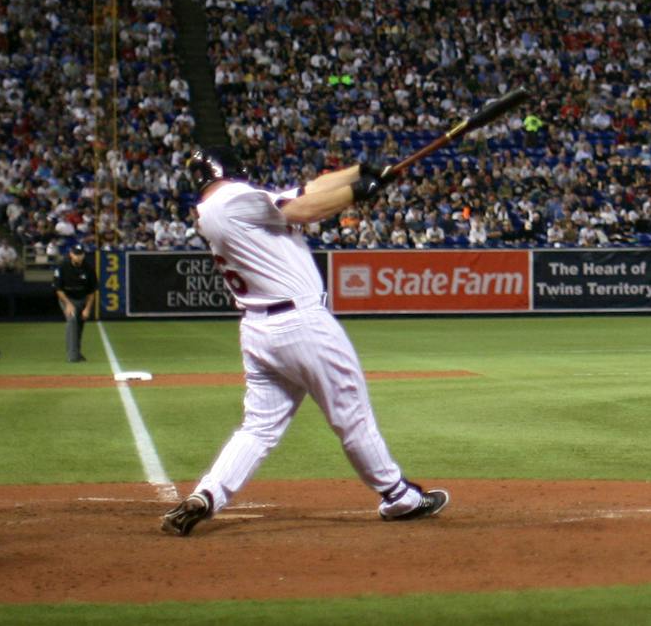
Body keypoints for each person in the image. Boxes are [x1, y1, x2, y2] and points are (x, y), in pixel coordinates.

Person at [159, 148, 448, 536]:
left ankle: (206, 495)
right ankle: (398, 496)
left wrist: (358, 172)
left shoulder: (214, 209)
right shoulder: (237, 199)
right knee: (351, 416)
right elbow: (304, 209)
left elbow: (305, 190)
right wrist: (358, 192)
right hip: (303, 325)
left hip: (259, 332)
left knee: (257, 429)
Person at [52, 242, 96, 363]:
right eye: (76, 254)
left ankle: (77, 353)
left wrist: (87, 308)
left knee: (79, 326)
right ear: (71, 254)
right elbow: (59, 289)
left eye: (80, 254)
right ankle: (73, 356)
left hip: (82, 299)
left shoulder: (88, 269)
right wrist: (68, 304)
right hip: (68, 299)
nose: (78, 256)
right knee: (72, 321)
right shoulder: (62, 266)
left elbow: (92, 292)